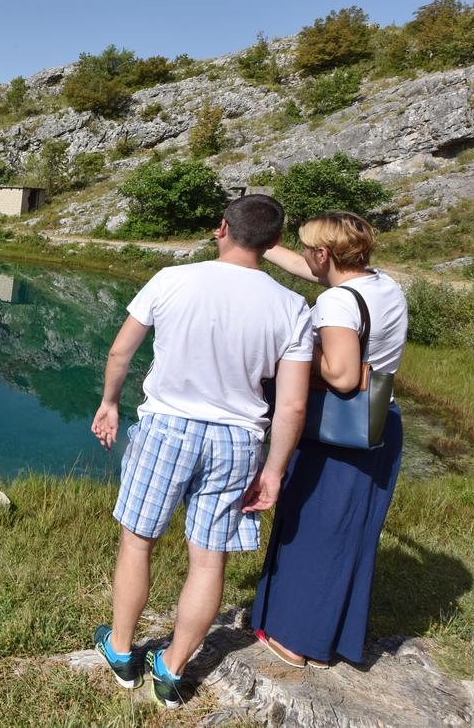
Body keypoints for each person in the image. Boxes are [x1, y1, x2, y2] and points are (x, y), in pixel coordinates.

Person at [90, 194, 313, 708]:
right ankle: (170, 670)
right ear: (275, 244)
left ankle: (122, 652)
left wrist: (109, 403)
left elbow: (121, 350)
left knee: (137, 543)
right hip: (238, 441)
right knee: (209, 561)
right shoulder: (291, 305)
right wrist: (274, 471)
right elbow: (293, 406)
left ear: (221, 228)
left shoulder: (173, 278)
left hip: (167, 429)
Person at [251, 211, 409, 668]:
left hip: (335, 433)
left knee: (314, 530)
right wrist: (259, 242)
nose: (301, 255)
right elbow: (310, 270)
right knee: (350, 535)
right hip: (377, 424)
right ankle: (327, 641)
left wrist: (293, 352)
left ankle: (294, 639)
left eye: (306, 248)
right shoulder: (382, 284)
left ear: (324, 254)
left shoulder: (339, 303)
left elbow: (340, 374)